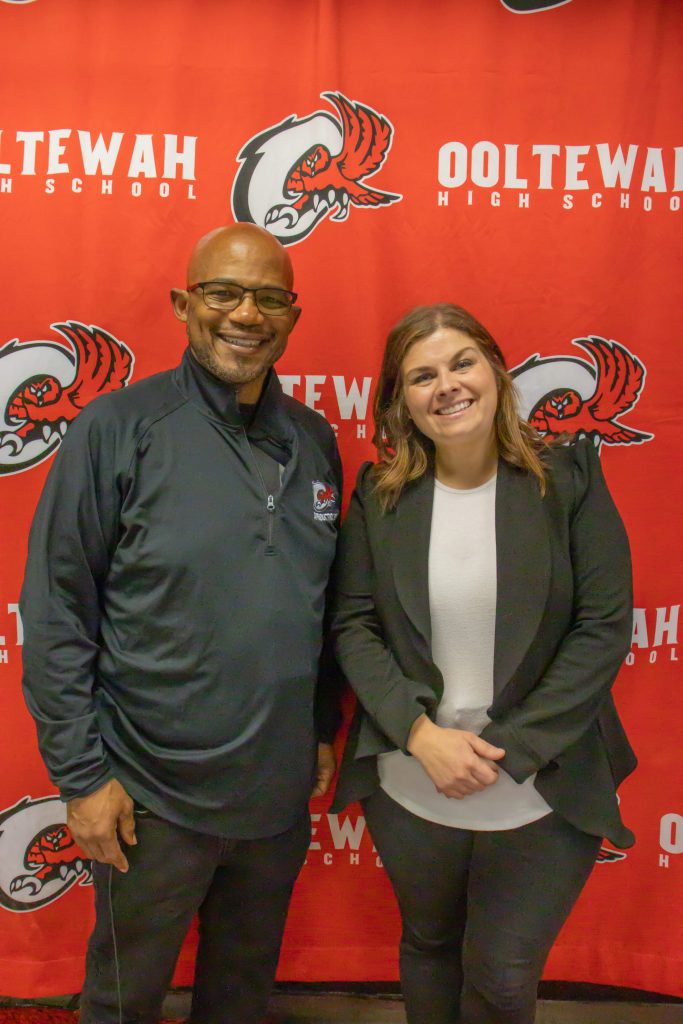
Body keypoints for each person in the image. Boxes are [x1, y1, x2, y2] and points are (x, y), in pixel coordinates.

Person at [21, 223, 342, 1024]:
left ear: (293, 317)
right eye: (224, 293)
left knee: (239, 1000)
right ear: (183, 304)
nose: (246, 314)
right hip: (148, 796)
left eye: (269, 298)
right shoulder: (117, 428)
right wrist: (83, 778)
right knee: (123, 1003)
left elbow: (325, 604)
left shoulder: (314, 441)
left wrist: (321, 728)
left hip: (272, 802)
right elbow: (59, 609)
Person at [331, 303, 636, 1024]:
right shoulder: (379, 499)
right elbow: (352, 623)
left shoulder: (568, 477)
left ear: (495, 372)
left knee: (500, 975)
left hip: (540, 780)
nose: (446, 386)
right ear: (398, 400)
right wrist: (418, 734)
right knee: (430, 947)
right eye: (421, 375)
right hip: (413, 779)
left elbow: (601, 627)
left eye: (461, 362)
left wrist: (512, 748)